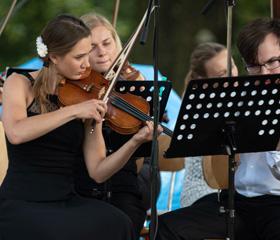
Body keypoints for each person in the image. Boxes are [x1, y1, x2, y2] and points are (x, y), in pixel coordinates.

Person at [0, 13, 162, 240]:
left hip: (65, 199)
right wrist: (73, 112)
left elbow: (98, 171)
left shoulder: (85, 97)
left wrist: (135, 142)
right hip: (21, 201)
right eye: (79, 57)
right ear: (54, 57)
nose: (88, 64)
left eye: (87, 55)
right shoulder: (19, 83)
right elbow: (16, 132)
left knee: (119, 223)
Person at [155, 17, 280, 240]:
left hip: (276, 205)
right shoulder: (237, 96)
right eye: (253, 65)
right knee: (166, 227)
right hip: (237, 202)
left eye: (272, 62)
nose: (263, 73)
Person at [73, 12, 162, 239]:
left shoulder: (134, 86)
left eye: (107, 43)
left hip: (124, 187)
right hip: (78, 187)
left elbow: (140, 161)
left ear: (117, 44)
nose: (102, 52)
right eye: (92, 46)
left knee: (125, 222)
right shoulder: (71, 89)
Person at [180, 42, 238, 208]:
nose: (232, 76)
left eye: (232, 66)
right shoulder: (197, 104)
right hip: (202, 191)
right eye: (222, 74)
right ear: (203, 81)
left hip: (235, 191)